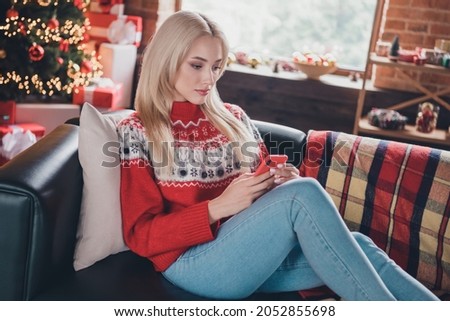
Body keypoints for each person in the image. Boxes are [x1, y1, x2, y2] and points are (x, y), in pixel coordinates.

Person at [117, 10, 439, 301]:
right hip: (191, 263)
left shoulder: (233, 117)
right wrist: (217, 207)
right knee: (302, 195)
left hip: (250, 253)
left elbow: (263, 180)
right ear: (167, 59)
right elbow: (140, 235)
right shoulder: (139, 130)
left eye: (216, 67)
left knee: (362, 248)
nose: (209, 79)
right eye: (197, 65)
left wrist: (279, 182)